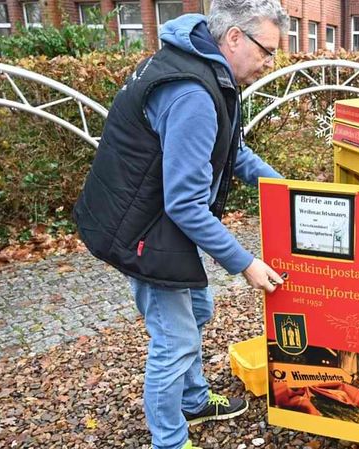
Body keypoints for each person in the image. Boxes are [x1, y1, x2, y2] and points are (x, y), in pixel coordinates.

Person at [73, 1, 289, 448]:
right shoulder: (193, 92)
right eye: (266, 50)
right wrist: (246, 263)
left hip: (150, 211)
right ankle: (169, 441)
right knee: (174, 343)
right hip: (141, 227)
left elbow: (233, 152)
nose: (270, 62)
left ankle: (191, 400)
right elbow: (186, 205)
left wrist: (287, 189)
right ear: (234, 38)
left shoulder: (204, 64)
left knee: (199, 310)